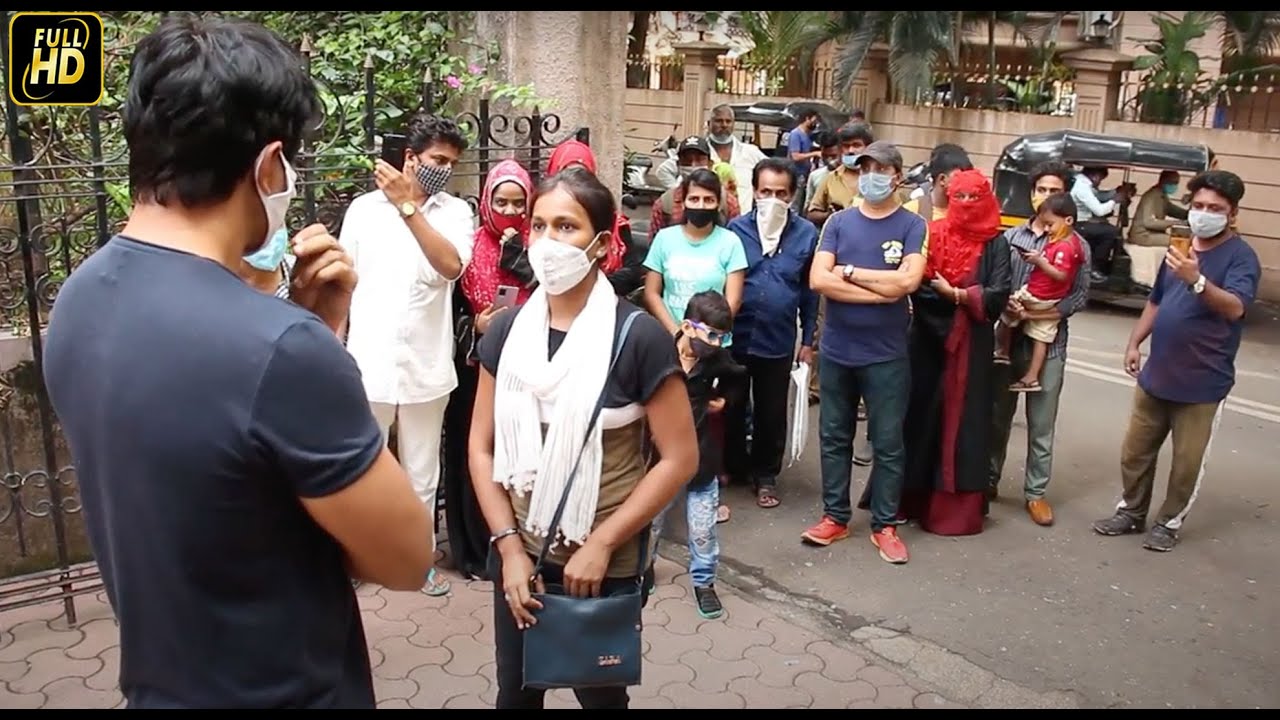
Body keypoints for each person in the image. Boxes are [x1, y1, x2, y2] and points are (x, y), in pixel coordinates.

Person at [41, 15, 433, 709]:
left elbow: (220, 495)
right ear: (269, 164)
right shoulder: (280, 350)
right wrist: (311, 338)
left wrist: (305, 328)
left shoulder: (78, 299)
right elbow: (404, 559)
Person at [468, 167, 698, 708]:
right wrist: (509, 550)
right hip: (520, 547)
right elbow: (482, 447)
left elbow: (679, 458)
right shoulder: (507, 331)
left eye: (567, 227)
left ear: (601, 243)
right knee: (517, 691)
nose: (549, 243)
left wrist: (601, 544)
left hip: (603, 560)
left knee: (599, 697)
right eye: (539, 225)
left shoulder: (636, 338)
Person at [341, 113, 476, 597]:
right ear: (409, 157)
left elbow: (450, 267)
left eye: (451, 163)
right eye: (437, 160)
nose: (444, 169)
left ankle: (418, 561)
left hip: (426, 365)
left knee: (421, 471)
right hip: (367, 360)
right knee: (363, 464)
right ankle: (360, 555)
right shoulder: (361, 211)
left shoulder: (455, 213)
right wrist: (333, 347)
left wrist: (409, 209)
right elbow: (343, 283)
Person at [1093, 170, 1261, 552]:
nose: (1204, 213)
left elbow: (1235, 308)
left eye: (1214, 208)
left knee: (1186, 464)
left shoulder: (1241, 257)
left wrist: (1197, 281)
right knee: (1134, 452)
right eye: (1198, 205)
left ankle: (1168, 523)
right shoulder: (1181, 247)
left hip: (1202, 382)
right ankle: (1131, 513)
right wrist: (1135, 342)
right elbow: (1156, 300)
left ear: (1232, 214)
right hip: (1157, 373)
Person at [802, 141, 926, 564]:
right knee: (834, 436)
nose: (870, 175)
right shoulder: (837, 222)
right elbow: (819, 280)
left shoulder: (912, 225)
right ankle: (834, 517)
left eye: (880, 168)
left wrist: (851, 273)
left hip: (886, 354)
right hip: (837, 350)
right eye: (864, 168)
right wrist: (881, 291)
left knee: (888, 442)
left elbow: (908, 283)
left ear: (897, 176)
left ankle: (885, 525)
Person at [895, 169, 1011, 537]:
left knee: (965, 423)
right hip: (927, 342)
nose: (964, 205)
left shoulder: (996, 243)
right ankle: (909, 500)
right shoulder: (934, 233)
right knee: (921, 414)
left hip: (972, 348)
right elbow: (921, 284)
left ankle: (953, 511)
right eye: (958, 197)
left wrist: (960, 296)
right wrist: (947, 304)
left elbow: (998, 294)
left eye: (973, 198)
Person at [442, 159, 535, 581]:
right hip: (473, 366)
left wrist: (519, 255)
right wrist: (474, 322)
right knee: (470, 452)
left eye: (519, 204)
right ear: (487, 201)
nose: (511, 212)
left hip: (524, 370)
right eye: (502, 202)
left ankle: (517, 542)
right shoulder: (467, 246)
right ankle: (472, 551)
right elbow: (445, 306)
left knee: (513, 454)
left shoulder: (536, 245)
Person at [988, 160, 1091, 527]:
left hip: (1050, 343)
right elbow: (996, 284)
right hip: (1009, 338)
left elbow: (1079, 295)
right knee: (998, 417)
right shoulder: (1011, 238)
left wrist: (1045, 315)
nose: (1047, 197)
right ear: (1032, 194)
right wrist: (1009, 305)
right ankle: (988, 483)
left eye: (1055, 191)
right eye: (1042, 190)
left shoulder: (1077, 245)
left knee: (1041, 424)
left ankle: (1035, 494)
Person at [723, 158, 818, 509]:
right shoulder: (735, 229)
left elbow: (809, 292)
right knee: (732, 404)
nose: (773, 199)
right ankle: (732, 465)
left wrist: (807, 340)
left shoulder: (806, 234)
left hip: (777, 338)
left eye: (781, 193)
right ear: (755, 191)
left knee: (771, 410)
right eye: (766, 192)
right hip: (736, 335)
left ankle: (766, 475)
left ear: (793, 196)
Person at [653, 291, 746, 619]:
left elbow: (738, 378)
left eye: (723, 338)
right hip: (660, 458)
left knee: (704, 529)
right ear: (687, 327)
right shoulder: (658, 353)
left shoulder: (717, 359)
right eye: (711, 336)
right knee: (649, 521)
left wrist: (725, 401)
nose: (716, 345)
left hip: (701, 459)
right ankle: (640, 571)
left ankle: (704, 583)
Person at [995, 193, 1086, 392]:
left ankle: (1002, 350)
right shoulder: (1053, 239)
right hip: (1044, 296)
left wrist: (1039, 262)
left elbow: (1062, 276)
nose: (1047, 229)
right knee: (1041, 336)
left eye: (1050, 225)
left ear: (1068, 220)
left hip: (1039, 295)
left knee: (1008, 309)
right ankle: (1031, 377)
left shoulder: (1066, 246)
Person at [642, 168, 749, 334]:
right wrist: (677, 333)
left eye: (708, 200)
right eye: (694, 199)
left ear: (718, 204)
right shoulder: (664, 239)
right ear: (683, 202)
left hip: (712, 341)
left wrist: (706, 335)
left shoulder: (731, 242)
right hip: (668, 338)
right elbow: (651, 293)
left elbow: (733, 301)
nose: (701, 205)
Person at [546, 139, 646, 300]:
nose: (575, 183)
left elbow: (632, 270)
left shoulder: (615, 223)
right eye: (567, 173)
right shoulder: (542, 225)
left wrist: (594, 288)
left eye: (583, 175)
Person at [651, 135, 742, 231]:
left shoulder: (727, 202)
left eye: (699, 160)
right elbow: (655, 242)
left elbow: (736, 237)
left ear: (710, 164)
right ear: (678, 165)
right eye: (687, 160)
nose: (693, 165)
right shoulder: (665, 203)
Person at [1126, 171, 1189, 289]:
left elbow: (1173, 210)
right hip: (1143, 235)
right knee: (1178, 243)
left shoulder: (1161, 195)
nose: (1174, 186)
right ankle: (1171, 280)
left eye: (1176, 183)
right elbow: (1149, 222)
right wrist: (1176, 223)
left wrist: (1189, 214)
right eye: (1172, 183)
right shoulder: (1152, 196)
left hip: (1152, 234)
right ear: (1163, 181)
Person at [706, 103, 769, 212]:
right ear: (709, 124)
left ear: (733, 124)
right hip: (708, 223)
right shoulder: (699, 152)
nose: (724, 125)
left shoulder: (750, 152)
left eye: (728, 121)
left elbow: (773, 173)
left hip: (741, 223)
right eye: (719, 121)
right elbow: (667, 170)